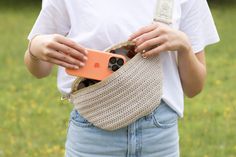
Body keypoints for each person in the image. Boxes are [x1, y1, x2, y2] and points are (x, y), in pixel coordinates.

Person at [24, 0, 219, 156]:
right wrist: (35, 48)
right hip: (93, 132)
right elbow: (40, 71)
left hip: (159, 135)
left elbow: (194, 88)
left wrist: (184, 46)